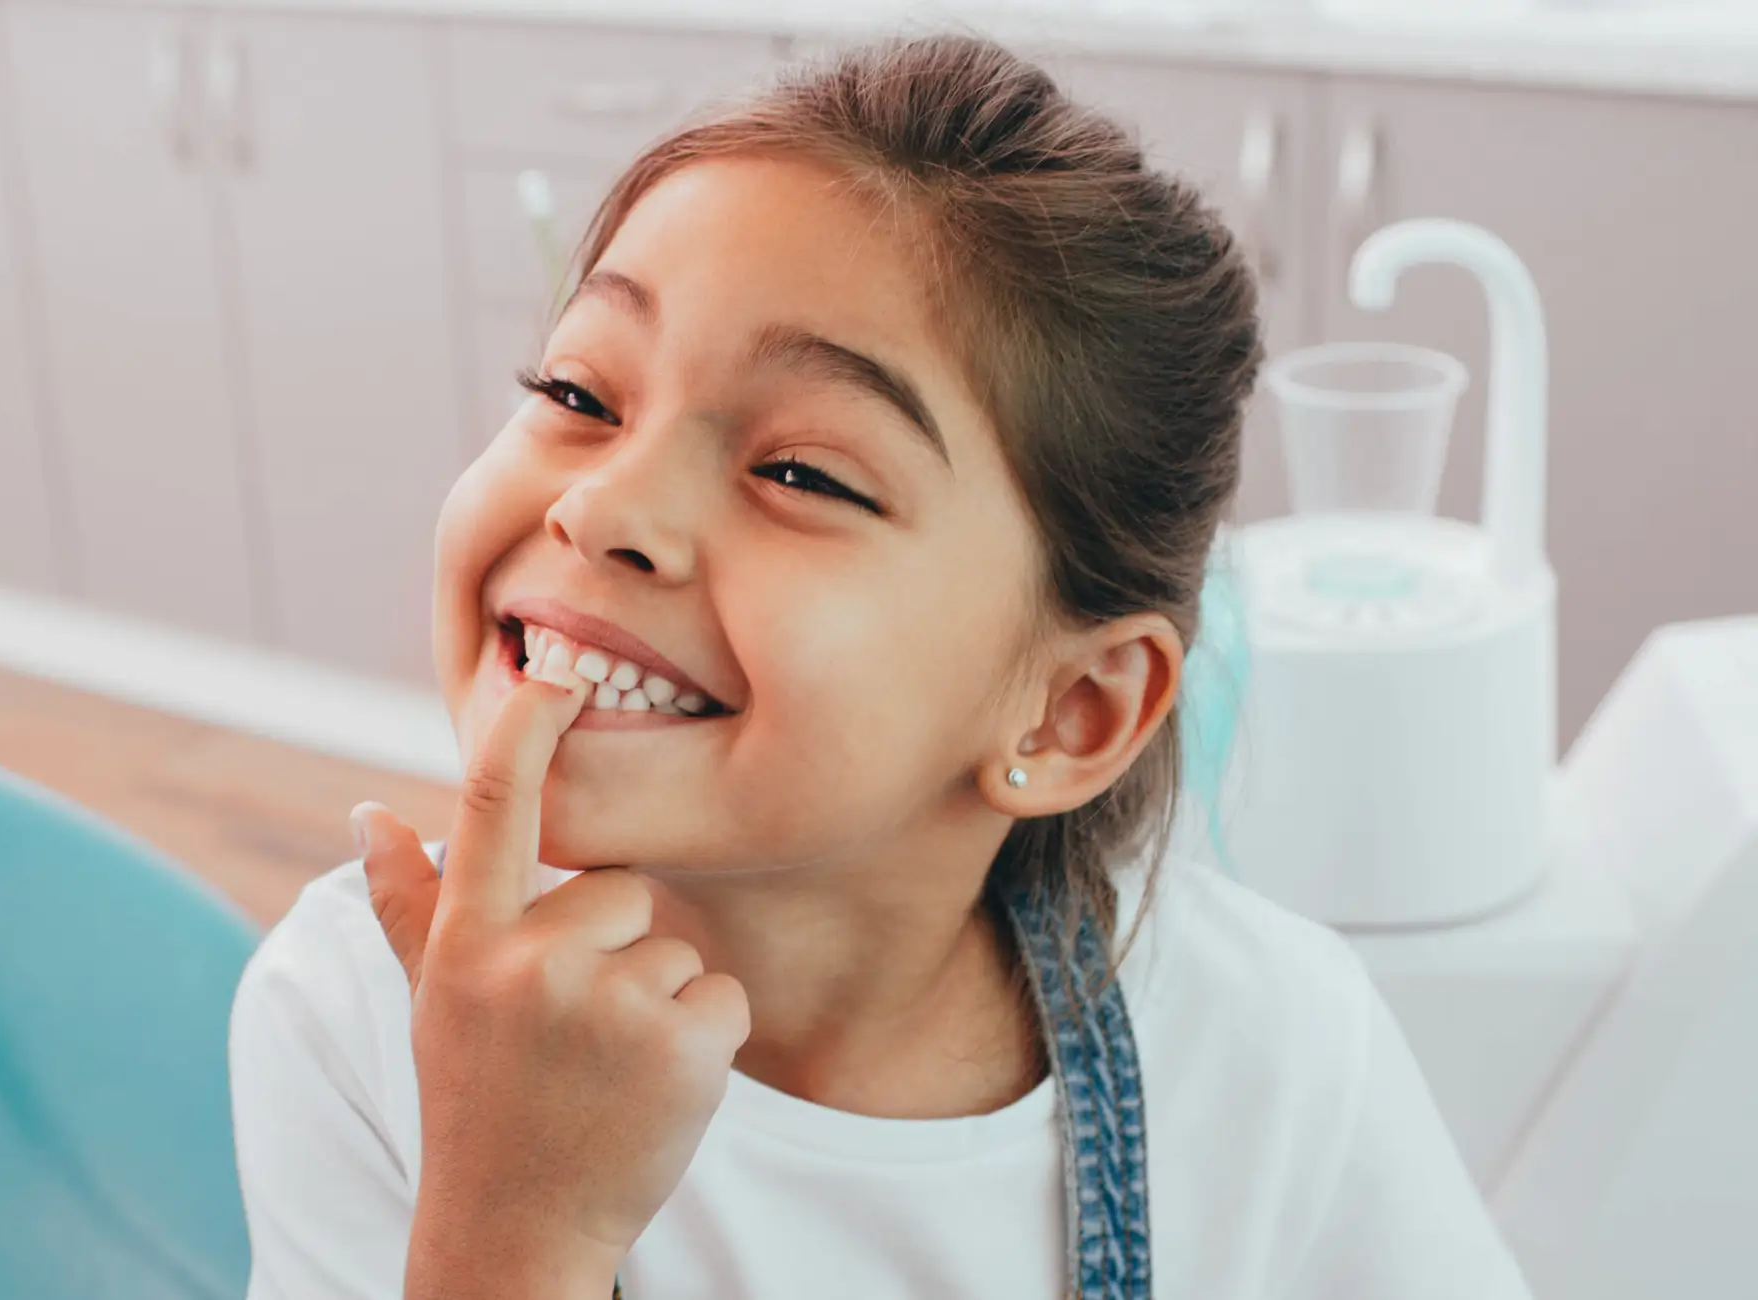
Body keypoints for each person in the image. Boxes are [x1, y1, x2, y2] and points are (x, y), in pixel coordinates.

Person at [227, 33, 1531, 1300]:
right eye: (579, 392)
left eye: (799, 472)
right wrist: (511, 1228)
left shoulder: (1278, 1054)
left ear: (1072, 712)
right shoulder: (356, 1017)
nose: (602, 507)